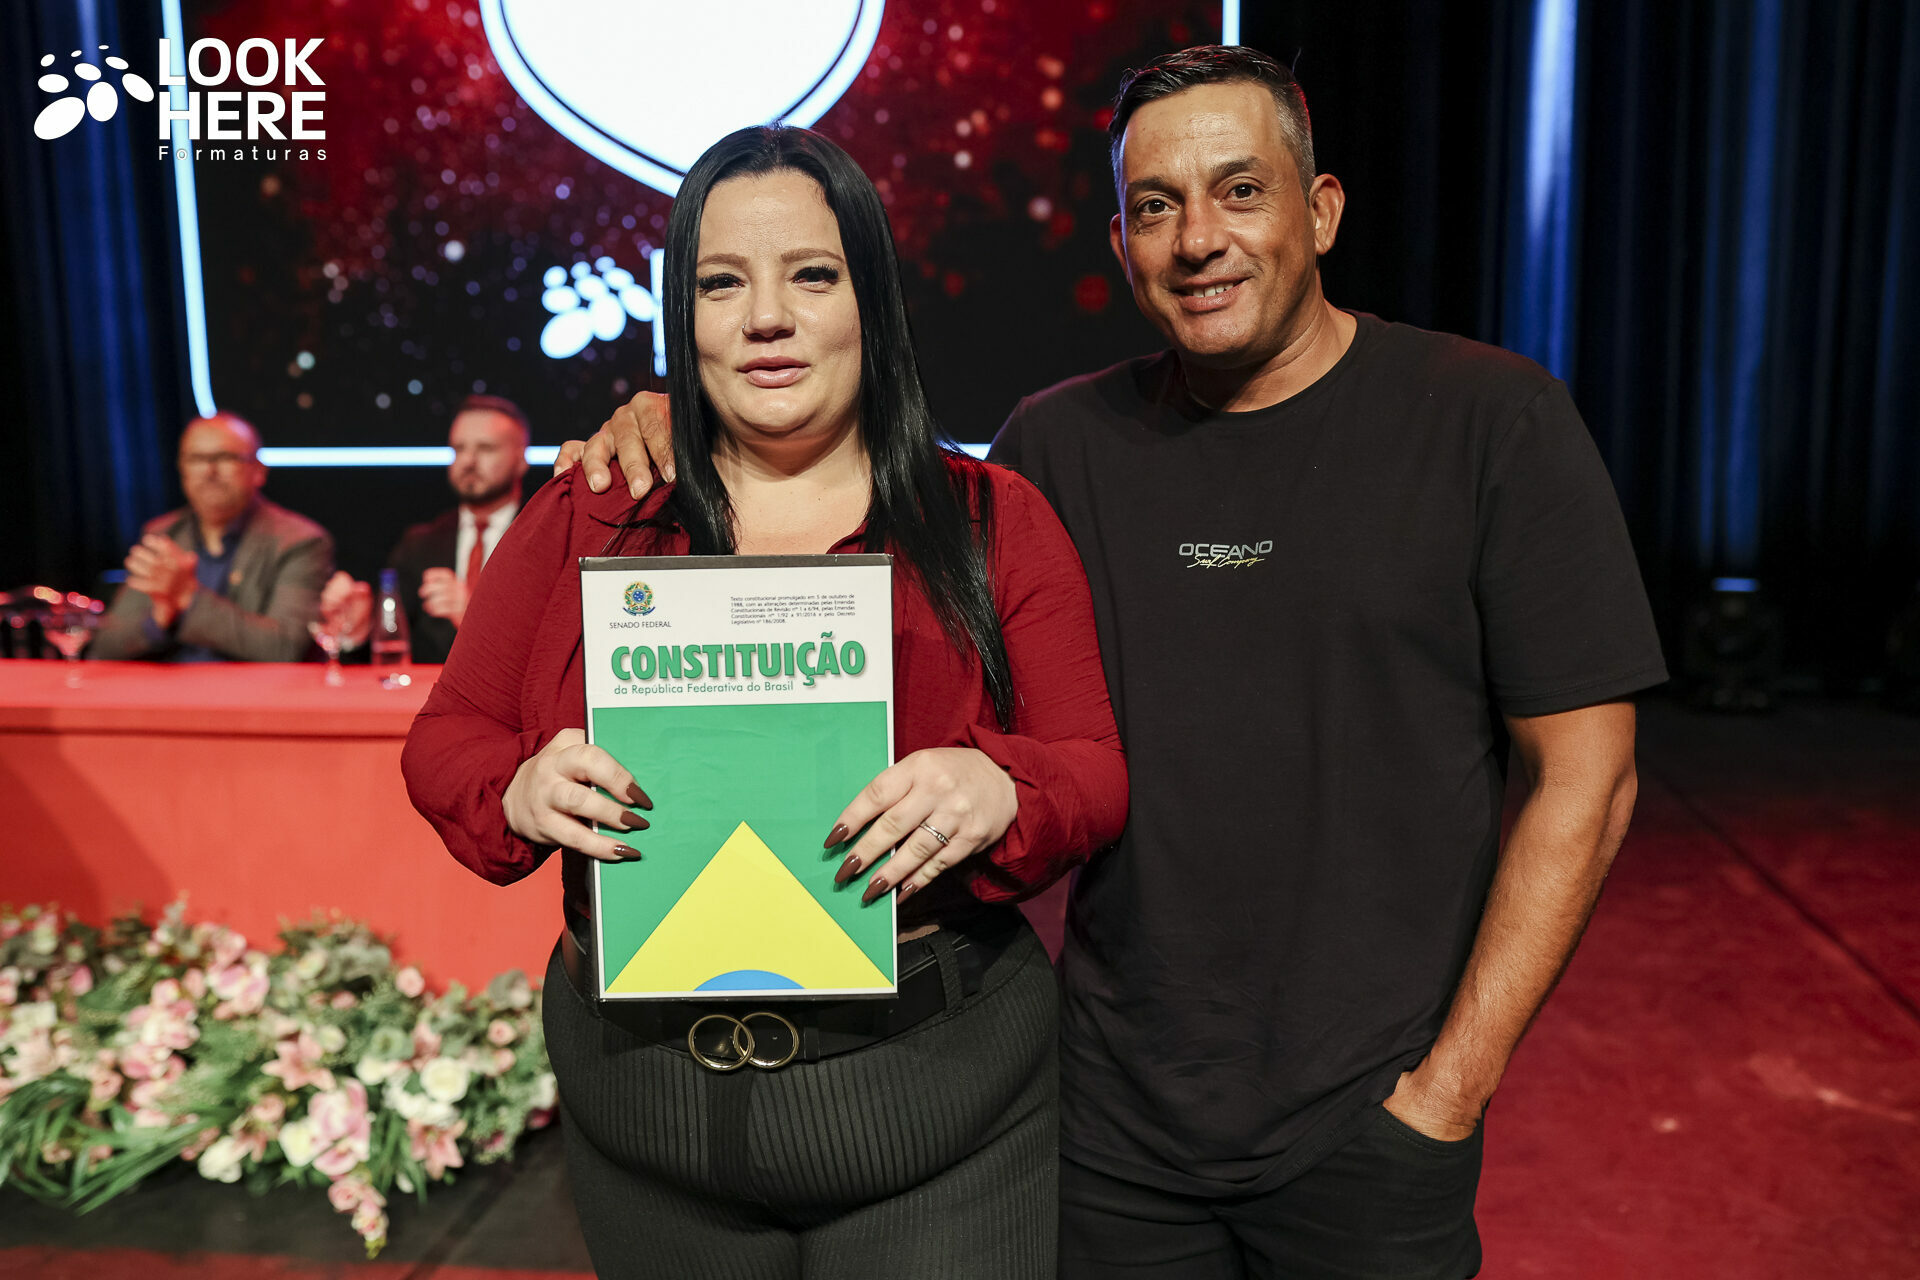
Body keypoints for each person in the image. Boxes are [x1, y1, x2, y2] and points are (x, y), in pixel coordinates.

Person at [565, 45, 1668, 1280]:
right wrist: (682, 422)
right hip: (1107, 1124)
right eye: (1156, 205)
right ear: (1120, 242)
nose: (1199, 239)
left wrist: (1450, 1089)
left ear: (1321, 211)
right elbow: (859, 524)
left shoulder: (1488, 421)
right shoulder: (1058, 444)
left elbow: (1589, 779)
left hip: (1373, 1118)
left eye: (1240, 191)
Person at [404, 125, 1126, 1279]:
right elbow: (447, 738)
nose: (767, 318)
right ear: (682, 315)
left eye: (812, 275)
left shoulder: (991, 518)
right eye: (722, 283)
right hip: (645, 1114)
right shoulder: (597, 507)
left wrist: (1000, 784)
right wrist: (520, 786)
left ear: (871, 299)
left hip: (935, 1111)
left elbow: (1091, 765)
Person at [91, 413, 333, 662]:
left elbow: (284, 648)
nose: (209, 471)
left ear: (258, 470)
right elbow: (104, 648)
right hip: (169, 685)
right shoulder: (162, 535)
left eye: (225, 457)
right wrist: (159, 618)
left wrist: (188, 597)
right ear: (182, 469)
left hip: (252, 687)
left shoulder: (299, 541)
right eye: (196, 459)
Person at [320, 395, 531, 663]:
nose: (468, 461)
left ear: (521, 458)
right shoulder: (420, 544)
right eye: (459, 449)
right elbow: (390, 641)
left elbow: (560, 645)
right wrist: (358, 628)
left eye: (486, 448)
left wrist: (476, 617)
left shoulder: (548, 539)